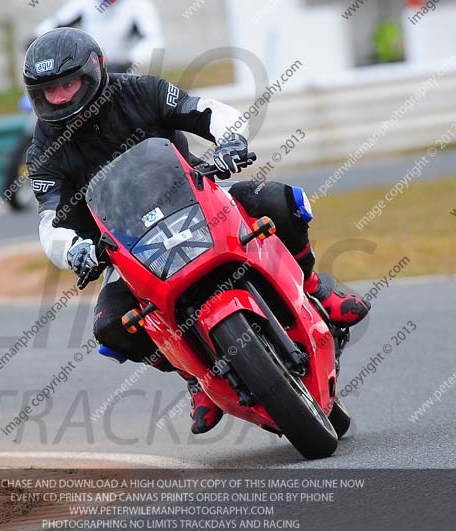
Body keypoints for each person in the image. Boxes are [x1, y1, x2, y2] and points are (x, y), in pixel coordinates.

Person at [24, 28, 371, 435]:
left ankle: (315, 289)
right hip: (125, 247)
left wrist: (229, 142)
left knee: (283, 201)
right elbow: (51, 222)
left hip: (197, 203)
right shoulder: (42, 153)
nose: (62, 97)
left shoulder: (140, 91)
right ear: (37, 95)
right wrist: (73, 251)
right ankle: (196, 377)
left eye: (69, 83)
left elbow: (204, 109)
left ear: (94, 71)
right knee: (112, 326)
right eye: (51, 90)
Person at [33, 0, 163, 72]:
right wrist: (36, 39)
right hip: (88, 72)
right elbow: (56, 22)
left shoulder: (139, 6)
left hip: (122, 75)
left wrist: (129, 60)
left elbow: (154, 40)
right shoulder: (83, 4)